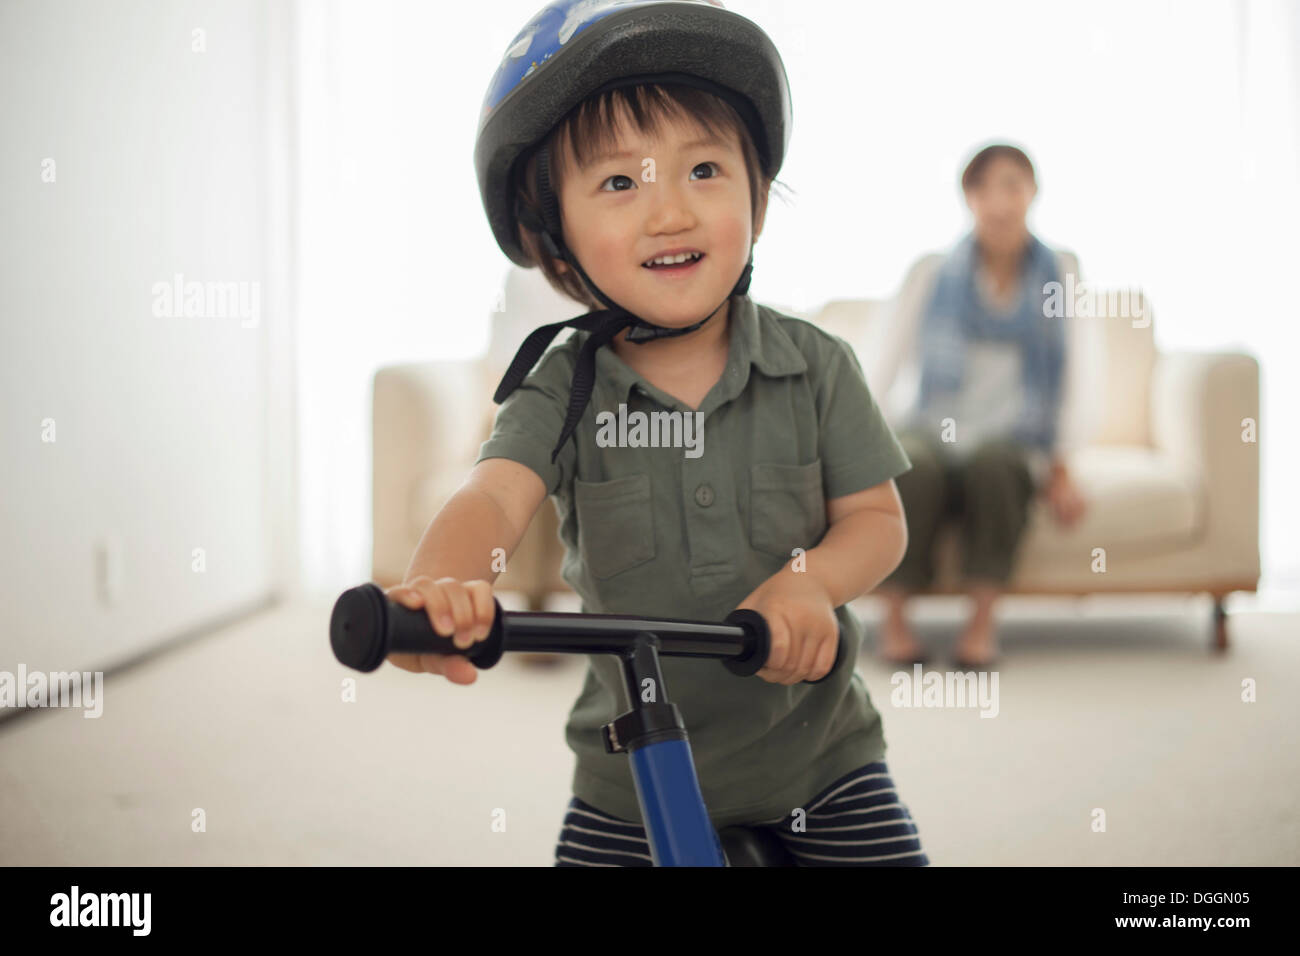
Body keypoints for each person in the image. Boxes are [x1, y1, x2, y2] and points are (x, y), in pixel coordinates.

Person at [386, 0, 929, 866]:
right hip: (628, 781)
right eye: (619, 182)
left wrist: (809, 581)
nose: (669, 212)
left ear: (758, 196)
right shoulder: (559, 382)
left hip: (821, 761)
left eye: (704, 169)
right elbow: (492, 497)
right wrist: (442, 586)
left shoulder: (815, 364)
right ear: (553, 232)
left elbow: (877, 519)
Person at [867, 144, 1089, 670]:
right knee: (912, 465)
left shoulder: (1060, 274)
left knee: (997, 468)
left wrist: (1062, 464)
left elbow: (1078, 374)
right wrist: (861, 451)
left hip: (1013, 435)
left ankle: (981, 625)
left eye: (1012, 185)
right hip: (933, 426)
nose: (999, 201)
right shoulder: (931, 273)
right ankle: (895, 622)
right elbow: (882, 366)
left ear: (1032, 192)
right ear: (968, 197)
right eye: (984, 187)